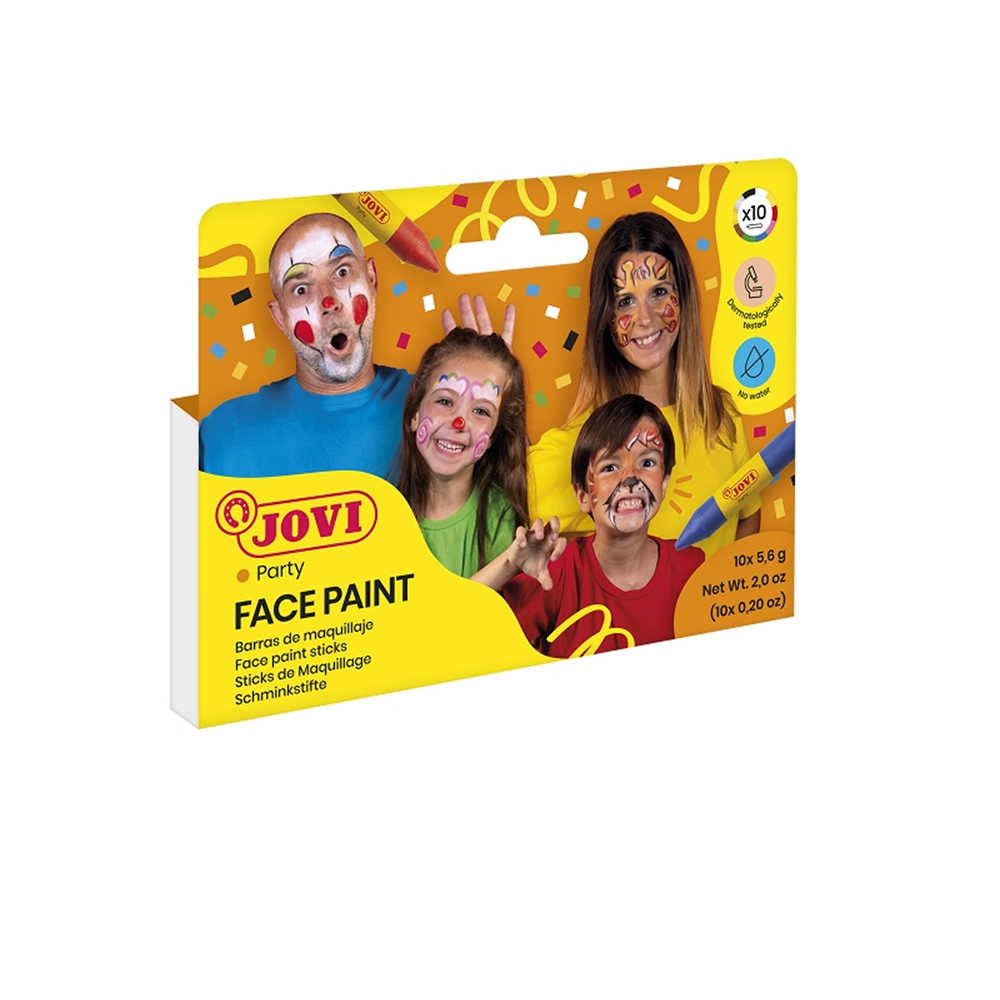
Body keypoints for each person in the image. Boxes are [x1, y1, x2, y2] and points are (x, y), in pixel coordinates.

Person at [527, 212, 761, 557]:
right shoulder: (573, 448)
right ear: (605, 317)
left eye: (659, 292)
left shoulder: (721, 418)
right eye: (625, 301)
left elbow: (747, 516)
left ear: (683, 297)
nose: (646, 319)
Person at [473, 395, 704, 658]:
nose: (630, 477)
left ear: (663, 483)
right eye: (610, 467)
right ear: (582, 495)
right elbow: (454, 629)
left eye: (647, 463)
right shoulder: (554, 575)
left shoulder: (692, 569)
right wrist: (509, 564)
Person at [199, 213, 412, 478]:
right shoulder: (219, 435)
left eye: (342, 272)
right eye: (301, 289)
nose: (328, 302)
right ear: (280, 317)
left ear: (372, 279)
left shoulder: (436, 401)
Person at [398, 327, 529, 577]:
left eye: (481, 411)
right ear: (415, 414)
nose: (459, 423)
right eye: (445, 401)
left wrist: (511, 562)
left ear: (492, 437)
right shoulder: (382, 513)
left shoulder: (498, 515)